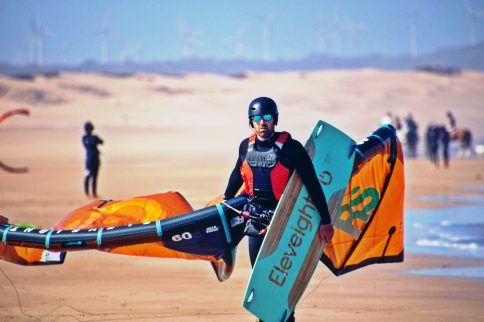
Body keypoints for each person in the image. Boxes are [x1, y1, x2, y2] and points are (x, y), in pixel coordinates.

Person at [223, 97, 334, 322]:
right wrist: (225, 199)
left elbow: (312, 184)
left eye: (267, 118)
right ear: (251, 122)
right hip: (255, 223)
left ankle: (285, 318)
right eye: (257, 118)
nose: (262, 122)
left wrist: (325, 220)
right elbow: (237, 175)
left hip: (284, 222)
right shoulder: (246, 146)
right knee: (260, 281)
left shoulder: (291, 149)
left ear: (275, 120)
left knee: (280, 283)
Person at [82, 121, 103, 198]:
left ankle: (93, 193)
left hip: (92, 160)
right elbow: (100, 142)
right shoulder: (88, 138)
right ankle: (89, 193)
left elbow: (101, 142)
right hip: (92, 160)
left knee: (93, 177)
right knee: (89, 176)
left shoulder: (89, 138)